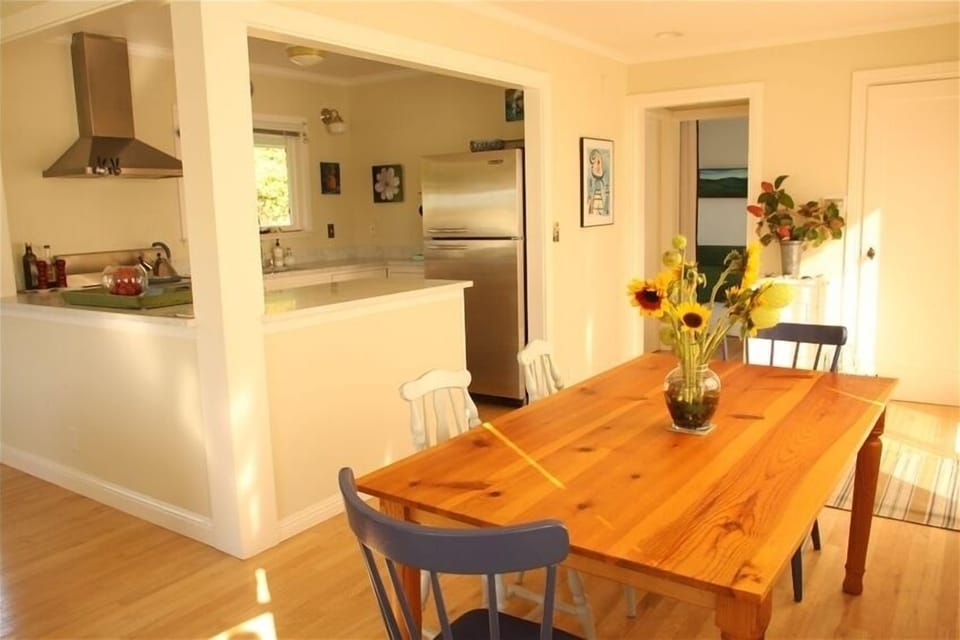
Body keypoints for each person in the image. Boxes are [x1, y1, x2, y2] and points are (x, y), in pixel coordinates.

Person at [586, 148, 609, 216]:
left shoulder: (604, 175)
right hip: (596, 195)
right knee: (596, 207)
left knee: (600, 207)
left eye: (599, 162)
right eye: (595, 163)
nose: (598, 166)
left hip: (601, 195)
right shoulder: (591, 177)